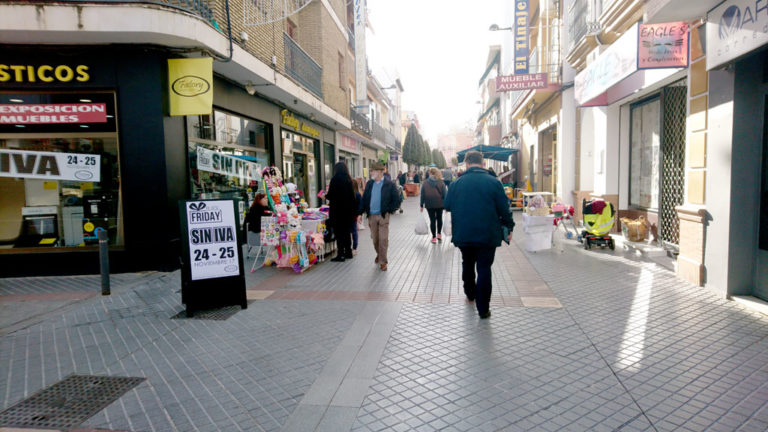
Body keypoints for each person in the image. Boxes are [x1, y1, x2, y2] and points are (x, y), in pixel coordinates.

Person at [444, 150, 515, 319]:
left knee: (467, 262)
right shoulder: (494, 183)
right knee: (484, 268)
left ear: (466, 164)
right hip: (488, 234)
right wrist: (509, 226)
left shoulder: (456, 184)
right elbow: (504, 209)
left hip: (464, 233)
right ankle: (483, 309)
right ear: (482, 164)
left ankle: (469, 292)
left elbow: (446, 205)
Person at [361, 161, 401, 271]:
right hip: (371, 216)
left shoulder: (389, 184)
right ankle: (379, 254)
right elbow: (364, 199)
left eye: (372, 171)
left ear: (379, 172)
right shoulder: (370, 184)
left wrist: (390, 210)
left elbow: (397, 199)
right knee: (375, 239)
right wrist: (360, 212)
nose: (370, 172)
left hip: (383, 215)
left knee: (383, 239)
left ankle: (383, 262)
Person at [326, 162, 357, 262]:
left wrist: (325, 196)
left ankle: (341, 254)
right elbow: (353, 197)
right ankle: (348, 252)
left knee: (339, 234)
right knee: (347, 233)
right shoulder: (349, 180)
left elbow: (331, 195)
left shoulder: (335, 180)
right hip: (348, 212)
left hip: (337, 212)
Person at [420, 167, 447, 244]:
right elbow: (445, 194)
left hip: (429, 204)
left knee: (432, 220)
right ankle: (439, 235)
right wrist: (446, 205)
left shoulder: (425, 183)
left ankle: (434, 238)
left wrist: (421, 205)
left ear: (430, 173)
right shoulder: (441, 182)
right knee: (439, 218)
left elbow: (422, 195)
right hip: (439, 204)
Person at [350, 179, 363, 255]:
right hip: (354, 215)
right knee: (354, 232)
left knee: (352, 231)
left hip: (351, 215)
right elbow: (360, 205)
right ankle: (354, 248)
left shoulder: (355, 194)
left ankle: (353, 248)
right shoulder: (358, 194)